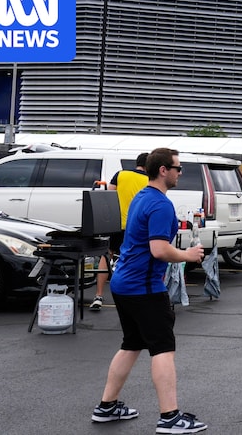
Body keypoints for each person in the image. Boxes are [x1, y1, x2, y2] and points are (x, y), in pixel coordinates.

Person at [91, 148, 208, 434]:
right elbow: (158, 250)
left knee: (131, 344)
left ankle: (106, 407)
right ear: (163, 170)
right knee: (163, 349)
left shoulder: (143, 197)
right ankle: (170, 417)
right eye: (177, 168)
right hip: (143, 287)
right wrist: (188, 255)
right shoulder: (159, 204)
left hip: (124, 283)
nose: (181, 173)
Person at [90, 152, 149, 311]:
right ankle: (130, 297)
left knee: (106, 254)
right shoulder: (149, 180)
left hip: (116, 224)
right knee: (132, 258)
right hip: (136, 226)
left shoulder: (120, 174)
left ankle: (98, 296)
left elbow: (109, 196)